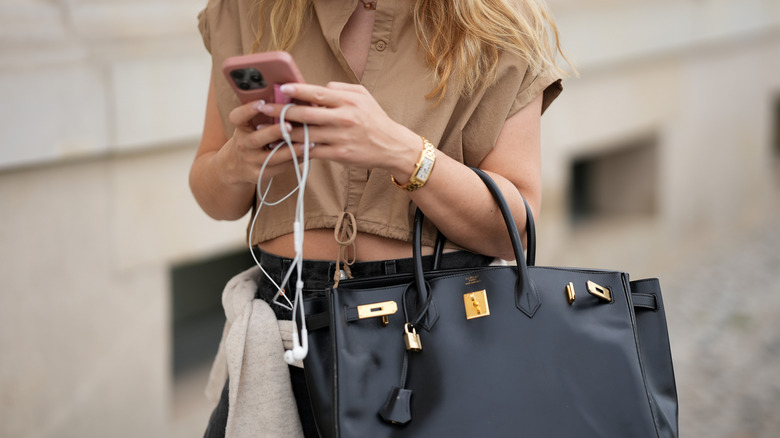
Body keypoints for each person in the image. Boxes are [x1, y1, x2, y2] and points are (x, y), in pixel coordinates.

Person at [191, 0, 570, 436]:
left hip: (435, 333)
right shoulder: (247, 9)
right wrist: (236, 163)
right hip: (282, 331)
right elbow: (214, 199)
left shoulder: (498, 16)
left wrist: (404, 154)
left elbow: (515, 231)